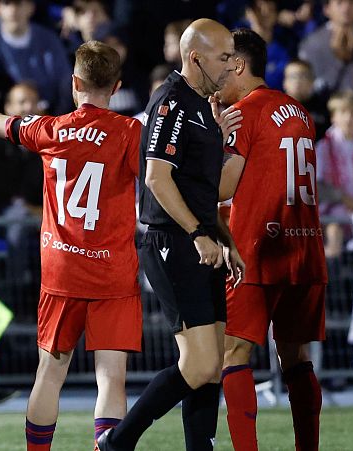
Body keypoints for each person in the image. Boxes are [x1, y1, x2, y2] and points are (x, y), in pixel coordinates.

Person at [0, 40, 144, 450]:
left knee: (50, 374)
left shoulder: (49, 128)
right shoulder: (130, 133)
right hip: (113, 270)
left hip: (62, 269)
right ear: (117, 85)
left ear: (74, 83)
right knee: (111, 377)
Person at [98, 18, 241, 451]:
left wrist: (224, 241)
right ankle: (117, 442)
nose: (233, 64)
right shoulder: (171, 103)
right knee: (197, 365)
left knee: (211, 366)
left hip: (200, 240)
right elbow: (157, 179)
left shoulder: (204, 105)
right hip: (172, 241)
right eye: (224, 56)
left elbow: (205, 189)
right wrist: (199, 232)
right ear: (195, 58)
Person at [216, 27, 328, 451]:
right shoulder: (298, 111)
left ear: (239, 66)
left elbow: (223, 188)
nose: (216, 74)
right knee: (295, 359)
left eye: (222, 64)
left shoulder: (244, 112)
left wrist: (209, 139)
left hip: (259, 251)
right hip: (304, 248)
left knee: (234, 355)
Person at [0, 0, 73, 115]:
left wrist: (56, 119)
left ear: (31, 7)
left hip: (51, 118)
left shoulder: (49, 39)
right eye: (6, 3)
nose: (13, 10)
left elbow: (65, 82)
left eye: (19, 3)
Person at [315, 90, 353, 258]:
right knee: (334, 229)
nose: (349, 118)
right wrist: (342, 197)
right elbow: (318, 184)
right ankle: (333, 276)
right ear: (333, 117)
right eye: (343, 112)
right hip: (334, 208)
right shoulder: (324, 146)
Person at [298, 0, 353, 93]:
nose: (346, 8)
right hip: (323, 101)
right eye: (340, 3)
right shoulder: (311, 43)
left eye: (352, 2)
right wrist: (340, 61)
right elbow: (311, 83)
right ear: (326, 9)